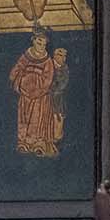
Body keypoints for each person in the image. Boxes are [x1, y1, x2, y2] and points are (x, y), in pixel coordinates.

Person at [9, 30, 68, 159]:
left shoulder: (47, 61)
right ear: (33, 41)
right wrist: (22, 84)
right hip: (25, 95)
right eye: (38, 42)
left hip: (40, 97)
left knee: (39, 119)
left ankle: (39, 144)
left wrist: (36, 89)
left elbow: (48, 79)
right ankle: (24, 142)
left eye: (43, 43)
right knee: (24, 118)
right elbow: (15, 72)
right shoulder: (25, 57)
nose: (41, 46)